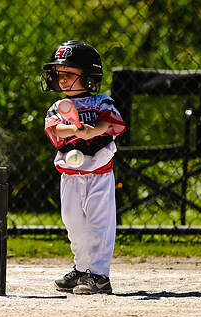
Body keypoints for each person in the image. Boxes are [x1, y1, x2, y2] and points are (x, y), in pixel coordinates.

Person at [41, 40, 126, 294]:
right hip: (70, 175)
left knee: (99, 223)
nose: (62, 79)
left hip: (99, 174)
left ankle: (100, 275)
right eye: (59, 74)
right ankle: (82, 269)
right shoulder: (58, 107)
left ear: (88, 77)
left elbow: (111, 124)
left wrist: (95, 131)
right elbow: (54, 129)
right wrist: (75, 129)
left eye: (69, 74)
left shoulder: (102, 101)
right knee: (73, 222)